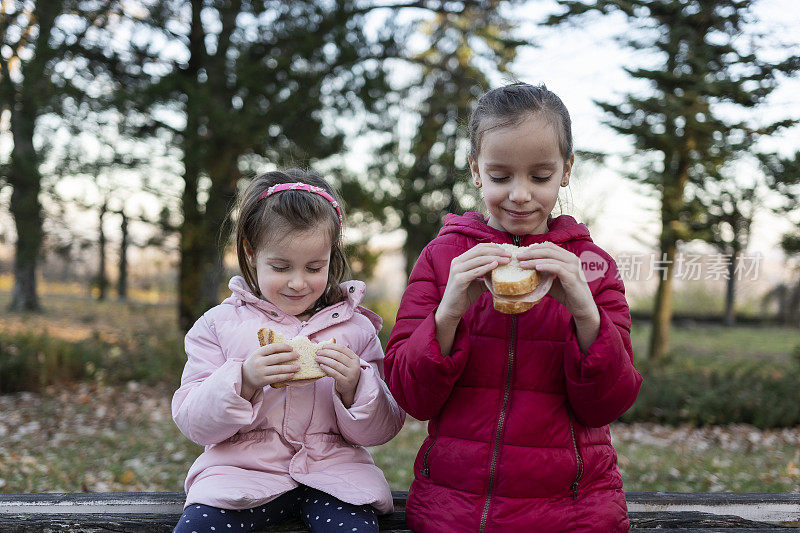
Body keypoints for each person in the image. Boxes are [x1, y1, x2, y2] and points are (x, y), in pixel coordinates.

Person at [384, 83, 643, 532]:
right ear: (476, 171)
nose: (520, 195)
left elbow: (610, 404)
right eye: (501, 176)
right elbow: (410, 397)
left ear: (566, 170)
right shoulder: (441, 260)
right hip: (456, 511)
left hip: (574, 512)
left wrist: (587, 315)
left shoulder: (592, 267)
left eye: (540, 176)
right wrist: (447, 315)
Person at [172, 169, 405, 533]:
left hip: (336, 477)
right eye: (281, 267)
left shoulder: (357, 329)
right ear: (251, 252)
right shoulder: (216, 326)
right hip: (239, 476)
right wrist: (243, 380)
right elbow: (194, 423)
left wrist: (355, 387)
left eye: (315, 267)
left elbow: (383, 429)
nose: (298, 282)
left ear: (332, 255)